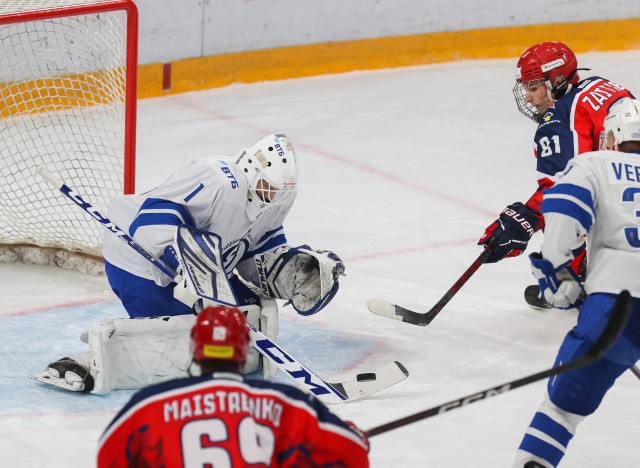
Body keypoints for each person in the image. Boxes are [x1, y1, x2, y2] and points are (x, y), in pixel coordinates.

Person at [32, 133, 345, 393]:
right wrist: (183, 261)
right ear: (251, 168)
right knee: (193, 347)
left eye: (281, 192)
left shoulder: (278, 198)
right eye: (269, 188)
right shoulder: (217, 179)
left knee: (242, 332)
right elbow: (150, 219)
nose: (273, 198)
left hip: (205, 268)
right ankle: (87, 363)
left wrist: (291, 271)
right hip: (142, 264)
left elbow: (257, 250)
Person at [512, 98, 640, 467]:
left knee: (561, 411)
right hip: (619, 304)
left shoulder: (595, 163)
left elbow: (564, 210)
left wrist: (557, 272)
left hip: (618, 308)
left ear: (611, 139)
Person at [97, 305, 370, 468]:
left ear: (195, 350)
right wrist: (355, 436)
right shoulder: (285, 404)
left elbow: (107, 456)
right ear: (244, 352)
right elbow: (350, 452)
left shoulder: (149, 405)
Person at [477, 41, 635, 309]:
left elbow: (563, 186)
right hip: (633, 181)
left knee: (561, 214)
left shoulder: (560, 117)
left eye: (534, 87)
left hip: (627, 193)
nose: (528, 97)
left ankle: (569, 284)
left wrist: (524, 220)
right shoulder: (599, 85)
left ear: (557, 81)